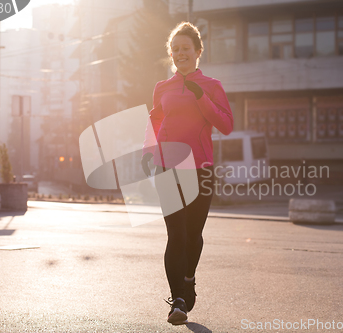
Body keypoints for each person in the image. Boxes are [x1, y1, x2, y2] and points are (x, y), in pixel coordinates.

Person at [141, 22, 233, 325]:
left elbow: (226, 125)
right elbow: (154, 120)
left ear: (197, 51)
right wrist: (147, 151)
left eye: (186, 48)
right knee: (175, 235)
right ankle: (177, 299)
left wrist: (200, 97)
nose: (181, 53)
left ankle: (189, 277)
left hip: (200, 170)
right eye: (176, 49)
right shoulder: (162, 88)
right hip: (166, 167)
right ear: (171, 53)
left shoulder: (212, 86)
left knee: (193, 236)